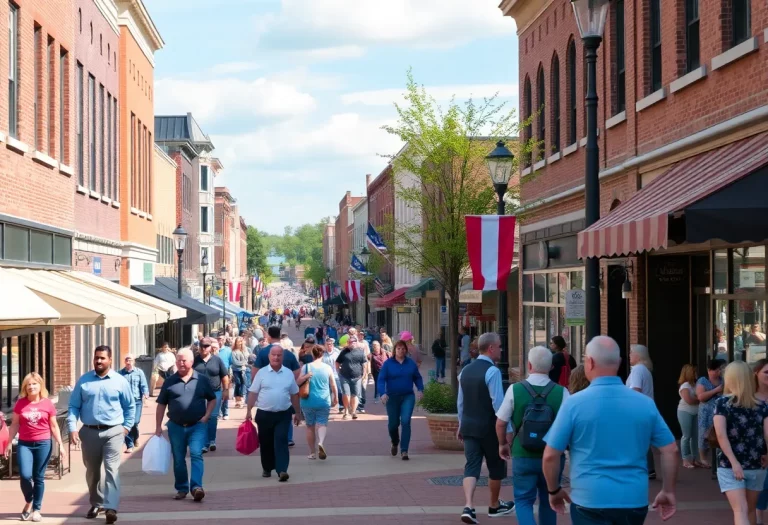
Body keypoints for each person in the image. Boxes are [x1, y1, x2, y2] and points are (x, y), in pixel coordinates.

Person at [542, 336, 678, 524]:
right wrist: (668, 490)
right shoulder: (645, 404)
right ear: (620, 362)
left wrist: (554, 490)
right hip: (633, 499)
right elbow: (670, 450)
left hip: (589, 498)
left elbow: (550, 455)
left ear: (589, 362)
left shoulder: (573, 404)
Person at [496, 346, 568, 525]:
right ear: (551, 367)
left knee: (523, 500)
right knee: (549, 499)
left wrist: (502, 444)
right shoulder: (562, 392)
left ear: (529, 365)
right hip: (551, 456)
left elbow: (500, 422)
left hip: (523, 453)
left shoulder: (515, 390)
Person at [67, 345, 135, 524]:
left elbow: (130, 406)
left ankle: (111, 507)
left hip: (113, 431)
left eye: (102, 358)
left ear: (110, 360)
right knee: (92, 471)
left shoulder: (120, 381)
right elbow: (73, 406)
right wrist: (72, 428)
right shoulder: (84, 380)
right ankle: (96, 502)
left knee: (112, 469)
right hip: (89, 432)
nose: (98, 361)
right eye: (96, 357)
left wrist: (126, 427)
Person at [457, 332, 516, 523]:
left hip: (469, 426)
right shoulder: (493, 372)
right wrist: (507, 430)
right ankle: (493, 505)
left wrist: (461, 424)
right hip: (489, 427)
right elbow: (498, 403)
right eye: (499, 346)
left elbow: (460, 402)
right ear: (491, 348)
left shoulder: (465, 370)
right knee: (496, 466)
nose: (501, 349)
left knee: (471, 466)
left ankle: (468, 506)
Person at [155, 348, 217, 502]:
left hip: (197, 425)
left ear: (191, 362)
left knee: (196, 453)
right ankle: (182, 488)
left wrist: (207, 416)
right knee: (178, 458)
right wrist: (157, 427)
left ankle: (196, 487)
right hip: (175, 426)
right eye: (178, 360)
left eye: (184, 360)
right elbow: (161, 405)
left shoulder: (201, 380)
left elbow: (212, 399)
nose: (180, 363)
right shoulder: (169, 381)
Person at [6, 373, 65, 522]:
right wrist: (8, 443)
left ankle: (36, 509)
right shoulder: (21, 404)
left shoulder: (47, 403)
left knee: (38, 478)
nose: (31, 387)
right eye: (28, 384)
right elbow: (14, 424)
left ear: (40, 386)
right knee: (25, 475)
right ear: (25, 387)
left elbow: (53, 425)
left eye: (34, 384)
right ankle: (29, 501)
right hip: (25, 444)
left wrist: (61, 445)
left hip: (43, 444)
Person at [714, 361, 768, 525]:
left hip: (730, 465)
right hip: (756, 464)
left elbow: (721, 435)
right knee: (750, 510)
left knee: (740, 510)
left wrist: (734, 462)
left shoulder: (723, 403)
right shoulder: (761, 406)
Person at [246, 345, 303, 482]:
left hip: (283, 414)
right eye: (274, 355)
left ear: (282, 357)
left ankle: (282, 470)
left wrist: (297, 412)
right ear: (269, 356)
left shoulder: (288, 373)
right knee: (266, 442)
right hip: (264, 414)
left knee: (281, 440)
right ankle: (267, 467)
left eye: (279, 355)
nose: (276, 357)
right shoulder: (262, 373)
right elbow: (253, 393)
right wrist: (248, 410)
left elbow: (294, 394)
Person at [252, 325, 301, 447]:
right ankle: (288, 437)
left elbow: (255, 372)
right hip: (285, 389)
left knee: (268, 411)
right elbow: (297, 371)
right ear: (279, 336)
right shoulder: (288, 354)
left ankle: (271, 436)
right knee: (286, 410)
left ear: (269, 336)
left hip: (267, 388)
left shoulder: (263, 352)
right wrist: (289, 382)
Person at [378, 340, 424, 460]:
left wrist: (420, 389)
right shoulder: (388, 364)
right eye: (398, 348)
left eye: (403, 349)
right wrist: (382, 393)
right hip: (392, 397)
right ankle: (395, 442)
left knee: (405, 421)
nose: (401, 351)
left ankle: (404, 450)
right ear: (394, 350)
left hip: (407, 396)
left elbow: (417, 378)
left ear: (406, 350)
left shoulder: (411, 364)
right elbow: (381, 379)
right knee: (393, 425)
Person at [298, 344, 337, 460]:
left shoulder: (306, 367)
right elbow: (333, 384)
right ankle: (321, 442)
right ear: (323, 354)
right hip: (324, 400)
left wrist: (306, 376)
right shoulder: (328, 368)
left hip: (307, 401)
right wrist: (336, 397)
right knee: (322, 423)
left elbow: (297, 381)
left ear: (312, 354)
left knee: (310, 426)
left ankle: (312, 452)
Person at [193, 338, 230, 453]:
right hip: (199, 393)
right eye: (202, 346)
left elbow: (224, 376)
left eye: (207, 346)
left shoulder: (217, 360)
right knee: (203, 417)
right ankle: (205, 443)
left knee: (213, 416)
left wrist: (226, 390)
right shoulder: (195, 360)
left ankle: (212, 440)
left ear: (211, 347)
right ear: (199, 347)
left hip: (215, 392)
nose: (204, 348)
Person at [626, 344, 656, 478]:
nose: (629, 355)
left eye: (631, 353)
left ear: (638, 356)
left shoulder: (637, 370)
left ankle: (644, 469)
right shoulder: (645, 370)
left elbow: (635, 390)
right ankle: (649, 469)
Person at [697, 358, 726, 468]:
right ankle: (703, 458)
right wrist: (716, 390)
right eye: (716, 370)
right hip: (706, 412)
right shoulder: (702, 381)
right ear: (709, 370)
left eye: (720, 370)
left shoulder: (723, 380)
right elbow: (701, 397)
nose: (719, 372)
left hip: (720, 411)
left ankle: (719, 456)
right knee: (704, 434)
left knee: (719, 432)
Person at [118, 355, 149, 453]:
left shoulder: (139, 372)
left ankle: (136, 436)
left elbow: (144, 385)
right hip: (125, 402)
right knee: (127, 423)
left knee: (135, 422)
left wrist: (146, 394)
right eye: (126, 360)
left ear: (133, 361)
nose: (128, 362)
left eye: (130, 360)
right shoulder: (120, 374)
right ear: (124, 362)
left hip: (137, 401)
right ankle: (129, 445)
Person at [336, 339, 367, 420]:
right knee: (346, 394)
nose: (352, 343)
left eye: (353, 342)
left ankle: (353, 411)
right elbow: (337, 362)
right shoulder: (344, 352)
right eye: (350, 342)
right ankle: (346, 411)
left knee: (355, 395)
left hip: (357, 377)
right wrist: (338, 372)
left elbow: (364, 363)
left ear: (356, 343)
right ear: (348, 343)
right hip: (344, 376)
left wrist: (364, 374)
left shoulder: (361, 352)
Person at [677, 364, 700, 469]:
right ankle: (685, 459)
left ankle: (695, 458)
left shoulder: (695, 385)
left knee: (695, 436)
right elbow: (689, 400)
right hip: (685, 412)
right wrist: (699, 398)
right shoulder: (685, 386)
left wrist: (697, 398)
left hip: (696, 412)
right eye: (694, 372)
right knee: (686, 436)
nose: (696, 374)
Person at [216, 336, 233, 421]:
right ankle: (219, 413)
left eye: (222, 339)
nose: (220, 341)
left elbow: (230, 362)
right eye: (219, 339)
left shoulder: (228, 350)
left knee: (225, 393)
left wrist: (229, 373)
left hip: (225, 374)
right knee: (217, 394)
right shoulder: (214, 350)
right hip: (215, 374)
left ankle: (225, 412)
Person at [231, 337, 249, 409]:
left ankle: (241, 399)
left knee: (243, 384)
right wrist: (244, 363)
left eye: (240, 342)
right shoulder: (233, 352)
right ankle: (237, 399)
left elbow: (248, 359)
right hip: (236, 370)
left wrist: (245, 363)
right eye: (238, 342)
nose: (239, 343)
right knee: (238, 383)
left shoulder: (245, 350)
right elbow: (235, 362)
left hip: (244, 370)